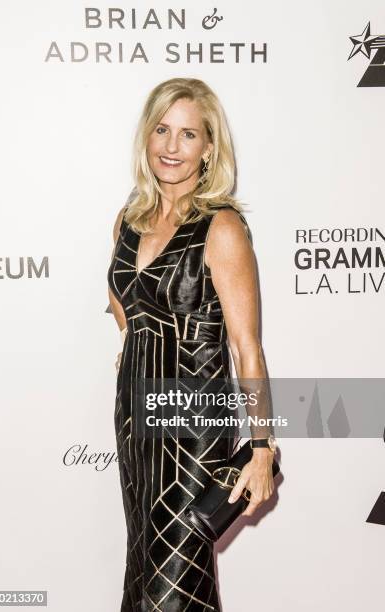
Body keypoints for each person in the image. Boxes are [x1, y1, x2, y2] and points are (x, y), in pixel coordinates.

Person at [107, 77, 276, 612]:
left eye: (187, 134)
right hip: (137, 419)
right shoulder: (129, 220)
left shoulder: (220, 227)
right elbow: (125, 301)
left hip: (195, 430)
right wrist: (137, 345)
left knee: (171, 587)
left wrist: (262, 448)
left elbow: (247, 348)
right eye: (162, 130)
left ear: (209, 148)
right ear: (147, 136)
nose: (171, 147)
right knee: (144, 568)